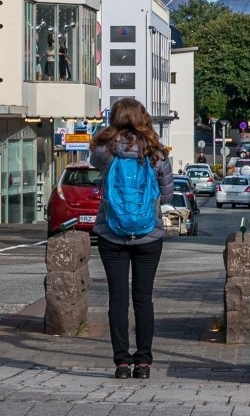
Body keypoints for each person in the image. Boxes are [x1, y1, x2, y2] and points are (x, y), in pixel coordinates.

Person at [89, 96, 173, 378]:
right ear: (143, 119)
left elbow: (92, 158)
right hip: (149, 234)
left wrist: (107, 132)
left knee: (117, 298)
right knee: (143, 298)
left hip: (111, 233)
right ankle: (144, 362)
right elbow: (168, 195)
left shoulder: (105, 152)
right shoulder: (156, 153)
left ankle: (122, 363)